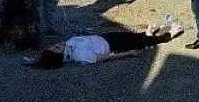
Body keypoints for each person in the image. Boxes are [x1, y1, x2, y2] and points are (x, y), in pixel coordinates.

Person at [32, 22, 184, 69]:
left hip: (104, 37)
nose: (58, 44)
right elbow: (103, 58)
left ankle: (146, 35)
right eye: (57, 48)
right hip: (111, 46)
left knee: (131, 35)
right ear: (60, 56)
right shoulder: (78, 56)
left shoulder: (68, 44)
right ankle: (169, 36)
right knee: (139, 43)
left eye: (54, 45)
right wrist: (127, 54)